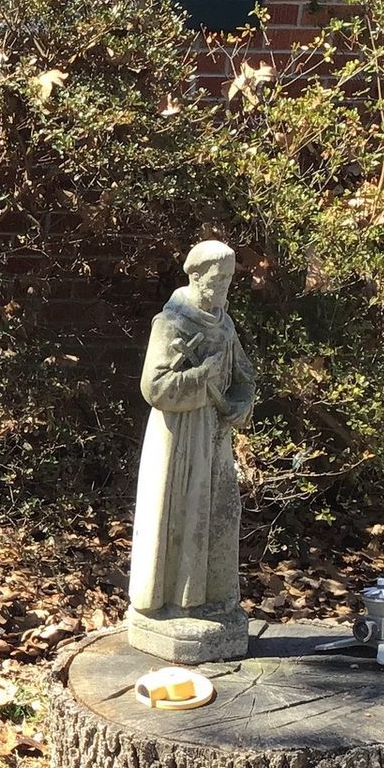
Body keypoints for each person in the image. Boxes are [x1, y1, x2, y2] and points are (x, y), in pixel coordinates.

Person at [126, 239, 257, 664]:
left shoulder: (225, 324)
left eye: (229, 279)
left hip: (214, 439)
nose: (222, 287)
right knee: (177, 511)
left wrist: (239, 404)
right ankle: (170, 602)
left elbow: (243, 378)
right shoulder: (171, 323)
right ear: (195, 275)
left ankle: (210, 599)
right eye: (216, 278)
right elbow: (155, 387)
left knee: (216, 511)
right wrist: (201, 377)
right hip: (178, 439)